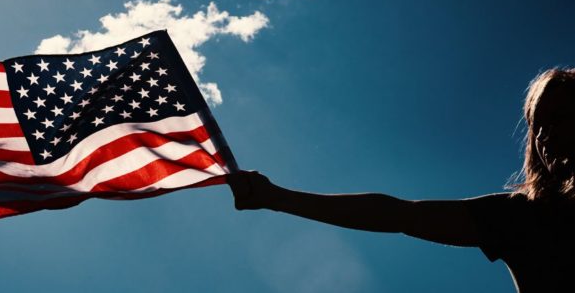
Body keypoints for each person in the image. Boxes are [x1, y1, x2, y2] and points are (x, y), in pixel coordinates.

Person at [227, 68, 575, 292]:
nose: (545, 135)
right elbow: (399, 215)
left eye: (560, 117)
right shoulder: (520, 217)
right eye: (537, 125)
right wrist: (275, 197)